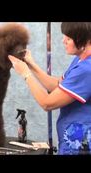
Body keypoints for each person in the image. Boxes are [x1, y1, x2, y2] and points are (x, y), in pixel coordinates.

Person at [8, 22, 91, 155]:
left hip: (80, 144)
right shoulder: (81, 59)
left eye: (68, 38)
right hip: (72, 138)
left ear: (84, 40)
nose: (63, 41)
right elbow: (57, 85)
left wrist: (25, 74)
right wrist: (31, 65)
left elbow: (47, 103)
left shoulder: (87, 69)